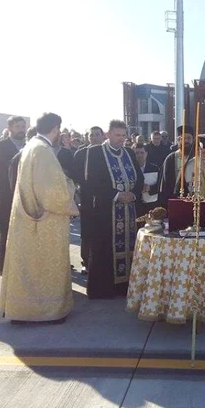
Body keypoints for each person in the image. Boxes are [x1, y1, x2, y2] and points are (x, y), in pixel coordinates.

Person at [0, 113, 79, 323]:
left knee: (29, 269)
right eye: (59, 129)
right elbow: (54, 193)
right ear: (55, 129)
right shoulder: (43, 151)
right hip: (44, 223)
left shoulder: (32, 145)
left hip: (29, 218)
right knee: (41, 270)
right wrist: (70, 186)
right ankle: (45, 311)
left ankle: (24, 309)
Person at [85, 120, 143, 299]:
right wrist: (117, 195)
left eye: (124, 135)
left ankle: (127, 285)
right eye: (117, 135)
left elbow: (139, 177)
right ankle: (105, 288)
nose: (121, 139)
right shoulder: (95, 152)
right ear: (108, 134)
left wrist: (133, 193)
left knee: (131, 247)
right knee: (105, 248)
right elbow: (91, 182)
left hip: (130, 211)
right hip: (106, 211)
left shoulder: (129, 152)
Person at [0, 116, 27, 274]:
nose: (21, 129)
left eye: (23, 126)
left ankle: (23, 270)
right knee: (7, 233)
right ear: (10, 129)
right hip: (6, 197)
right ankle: (5, 270)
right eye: (17, 126)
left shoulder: (31, 146)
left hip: (27, 198)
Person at [73, 126, 105, 274]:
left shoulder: (107, 152)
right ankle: (86, 261)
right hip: (86, 198)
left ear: (103, 136)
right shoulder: (80, 154)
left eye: (97, 135)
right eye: (91, 135)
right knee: (86, 232)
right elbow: (76, 176)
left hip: (104, 198)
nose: (94, 137)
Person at [158, 125, 194, 208]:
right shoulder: (171, 158)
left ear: (193, 140)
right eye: (183, 138)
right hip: (175, 201)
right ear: (179, 140)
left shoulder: (197, 157)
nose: (186, 141)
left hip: (194, 201)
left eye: (189, 138)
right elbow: (165, 185)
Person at [133, 143, 160, 218]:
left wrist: (150, 188)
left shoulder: (154, 168)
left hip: (151, 204)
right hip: (135, 204)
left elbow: (160, 185)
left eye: (142, 152)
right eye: (137, 153)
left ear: (146, 154)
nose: (139, 155)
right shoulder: (130, 169)